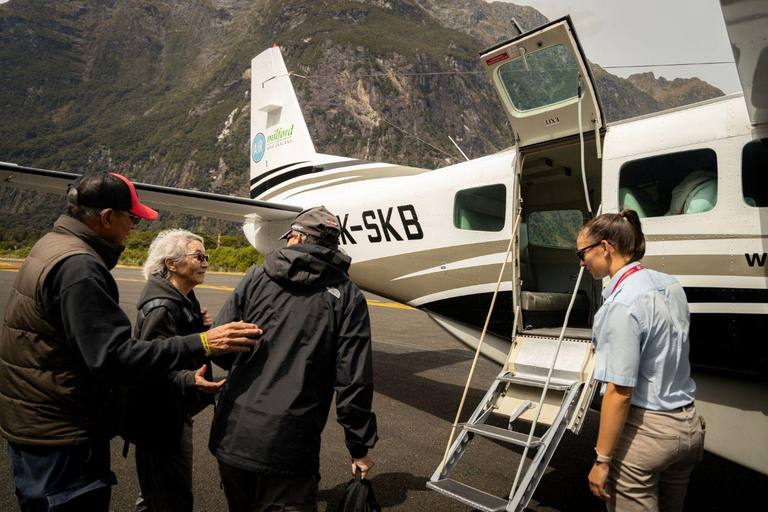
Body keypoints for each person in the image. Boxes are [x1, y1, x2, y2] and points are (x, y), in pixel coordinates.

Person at [0, 172, 261, 512]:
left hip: (38, 424)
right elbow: (115, 357)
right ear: (108, 217)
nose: (134, 227)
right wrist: (204, 343)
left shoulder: (52, 246)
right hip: (63, 434)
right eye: (132, 218)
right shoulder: (80, 267)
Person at [209, 205, 378, 512]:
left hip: (234, 436)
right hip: (292, 445)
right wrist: (358, 446)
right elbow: (354, 381)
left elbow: (222, 348)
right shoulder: (349, 297)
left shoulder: (256, 276)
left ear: (298, 238)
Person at [577, 209, 703, 511]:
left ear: (605, 248)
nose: (581, 263)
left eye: (582, 253)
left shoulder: (620, 304)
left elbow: (620, 393)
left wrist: (602, 460)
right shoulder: (670, 284)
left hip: (648, 433)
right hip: (688, 426)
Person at [122, 229, 224, 512]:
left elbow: (174, 346)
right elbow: (148, 367)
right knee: (171, 498)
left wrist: (198, 327)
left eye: (207, 256)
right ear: (171, 263)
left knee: (160, 492)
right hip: (159, 420)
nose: (206, 263)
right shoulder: (163, 306)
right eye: (199, 256)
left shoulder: (182, 299)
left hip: (172, 413)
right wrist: (191, 380)